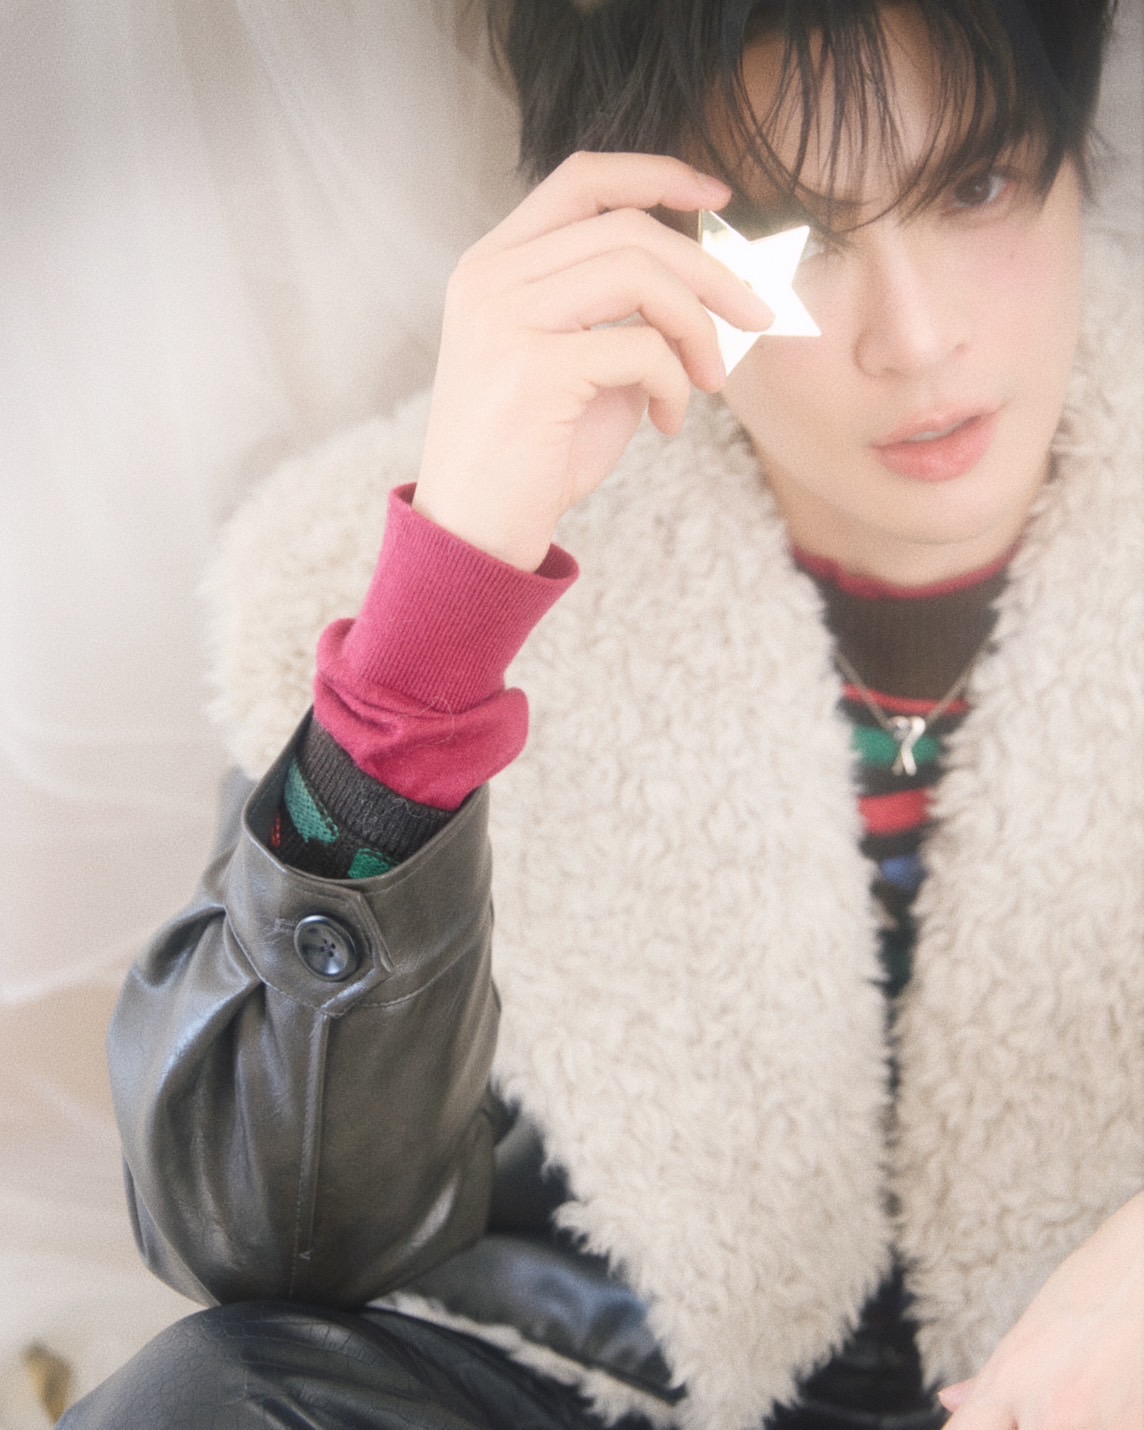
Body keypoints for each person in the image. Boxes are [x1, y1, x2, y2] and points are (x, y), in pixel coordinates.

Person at [63, 0, 1142, 1426]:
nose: (918, 336)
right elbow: (262, 1247)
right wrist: (449, 598)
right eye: (796, 234)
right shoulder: (388, 571)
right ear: (651, 251)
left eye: (978, 184)